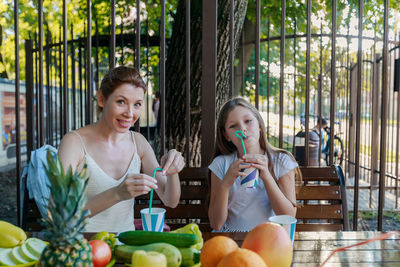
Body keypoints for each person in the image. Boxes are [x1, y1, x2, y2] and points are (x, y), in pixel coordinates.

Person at [58, 66, 184, 232]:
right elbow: (58, 214)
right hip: (84, 247)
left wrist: (174, 171)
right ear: (102, 99)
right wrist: (117, 194)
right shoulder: (74, 142)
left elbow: (170, 200)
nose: (130, 113)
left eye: (137, 104)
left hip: (126, 248)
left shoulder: (138, 142)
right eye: (121, 102)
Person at [208, 97, 302, 232]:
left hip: (269, 239)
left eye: (248, 121)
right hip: (230, 240)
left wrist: (266, 176)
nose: (242, 128)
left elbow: (288, 216)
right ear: (226, 135)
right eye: (233, 126)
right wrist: (225, 184)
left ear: (259, 125)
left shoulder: (282, 161)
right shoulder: (221, 164)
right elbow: (216, 224)